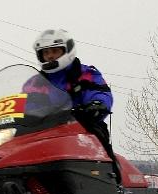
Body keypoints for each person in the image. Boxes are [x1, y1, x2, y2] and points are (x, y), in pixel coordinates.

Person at [31, 29, 120, 182]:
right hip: (44, 129)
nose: (50, 56)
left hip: (81, 124)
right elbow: (26, 103)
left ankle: (113, 181)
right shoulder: (35, 82)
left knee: (98, 134)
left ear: (67, 51)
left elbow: (99, 91)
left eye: (55, 51)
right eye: (46, 53)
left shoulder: (85, 73)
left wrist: (97, 104)